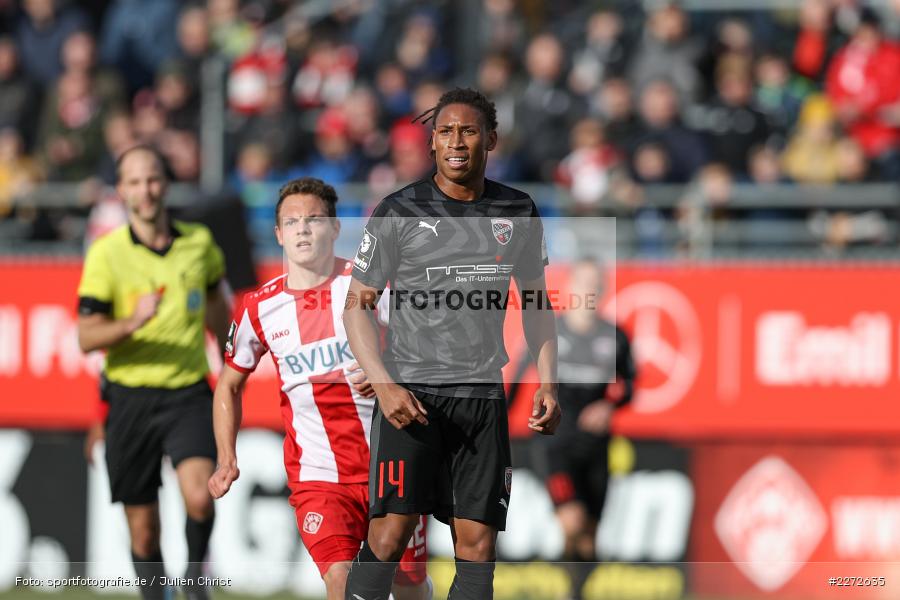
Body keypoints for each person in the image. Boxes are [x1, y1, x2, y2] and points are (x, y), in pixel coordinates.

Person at [343, 87, 561, 600]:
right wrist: (385, 383)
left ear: (491, 139)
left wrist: (549, 381)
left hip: (482, 396)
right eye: (445, 131)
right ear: (432, 142)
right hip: (412, 396)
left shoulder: (518, 209)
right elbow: (357, 305)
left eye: (468, 130)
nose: (456, 141)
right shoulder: (399, 210)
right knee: (390, 534)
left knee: (479, 545)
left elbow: (536, 304)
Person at [207, 177, 432, 600]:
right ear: (278, 234)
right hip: (318, 476)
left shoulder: (367, 286)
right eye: (292, 222)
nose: (303, 229)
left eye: (313, 220)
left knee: (407, 584)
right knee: (340, 580)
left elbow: (427, 349)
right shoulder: (260, 307)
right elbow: (229, 384)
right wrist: (225, 457)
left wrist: (390, 373)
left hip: (392, 462)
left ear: (333, 228)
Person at [77, 145, 231, 600]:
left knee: (201, 496)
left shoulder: (199, 243)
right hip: (129, 398)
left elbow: (217, 307)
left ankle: (196, 581)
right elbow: (86, 337)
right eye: (135, 182)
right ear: (122, 191)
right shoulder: (106, 253)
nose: (146, 191)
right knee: (144, 532)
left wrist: (231, 364)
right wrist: (131, 323)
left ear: (165, 184)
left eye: (153, 179)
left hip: (187, 393)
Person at [537, 259, 636, 600]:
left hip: (595, 447)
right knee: (573, 522)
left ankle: (575, 590)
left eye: (595, 284)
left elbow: (631, 386)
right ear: (569, 287)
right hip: (557, 446)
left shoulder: (615, 336)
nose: (588, 290)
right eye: (583, 282)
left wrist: (609, 405)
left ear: (604, 290)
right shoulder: (550, 332)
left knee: (589, 541)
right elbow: (517, 385)